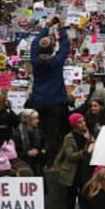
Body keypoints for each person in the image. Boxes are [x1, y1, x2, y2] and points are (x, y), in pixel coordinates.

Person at [31, 16, 71, 166]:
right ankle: (50, 160)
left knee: (38, 129)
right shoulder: (57, 62)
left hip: (39, 100)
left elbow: (34, 44)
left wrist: (46, 27)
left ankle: (39, 156)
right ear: (52, 49)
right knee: (52, 133)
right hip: (54, 101)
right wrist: (61, 29)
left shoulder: (35, 61)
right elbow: (65, 46)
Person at [54, 113, 96, 209]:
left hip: (85, 171)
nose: (83, 124)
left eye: (83, 121)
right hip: (73, 172)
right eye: (79, 122)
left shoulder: (87, 134)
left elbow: (94, 147)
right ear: (74, 124)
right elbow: (70, 156)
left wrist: (88, 138)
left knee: (85, 197)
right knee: (71, 199)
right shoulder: (69, 138)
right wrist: (84, 152)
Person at [14, 109, 46, 175]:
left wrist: (43, 150)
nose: (38, 121)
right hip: (23, 167)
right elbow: (14, 153)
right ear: (28, 120)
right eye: (35, 119)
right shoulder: (17, 134)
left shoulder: (39, 132)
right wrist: (27, 153)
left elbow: (45, 143)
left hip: (38, 166)